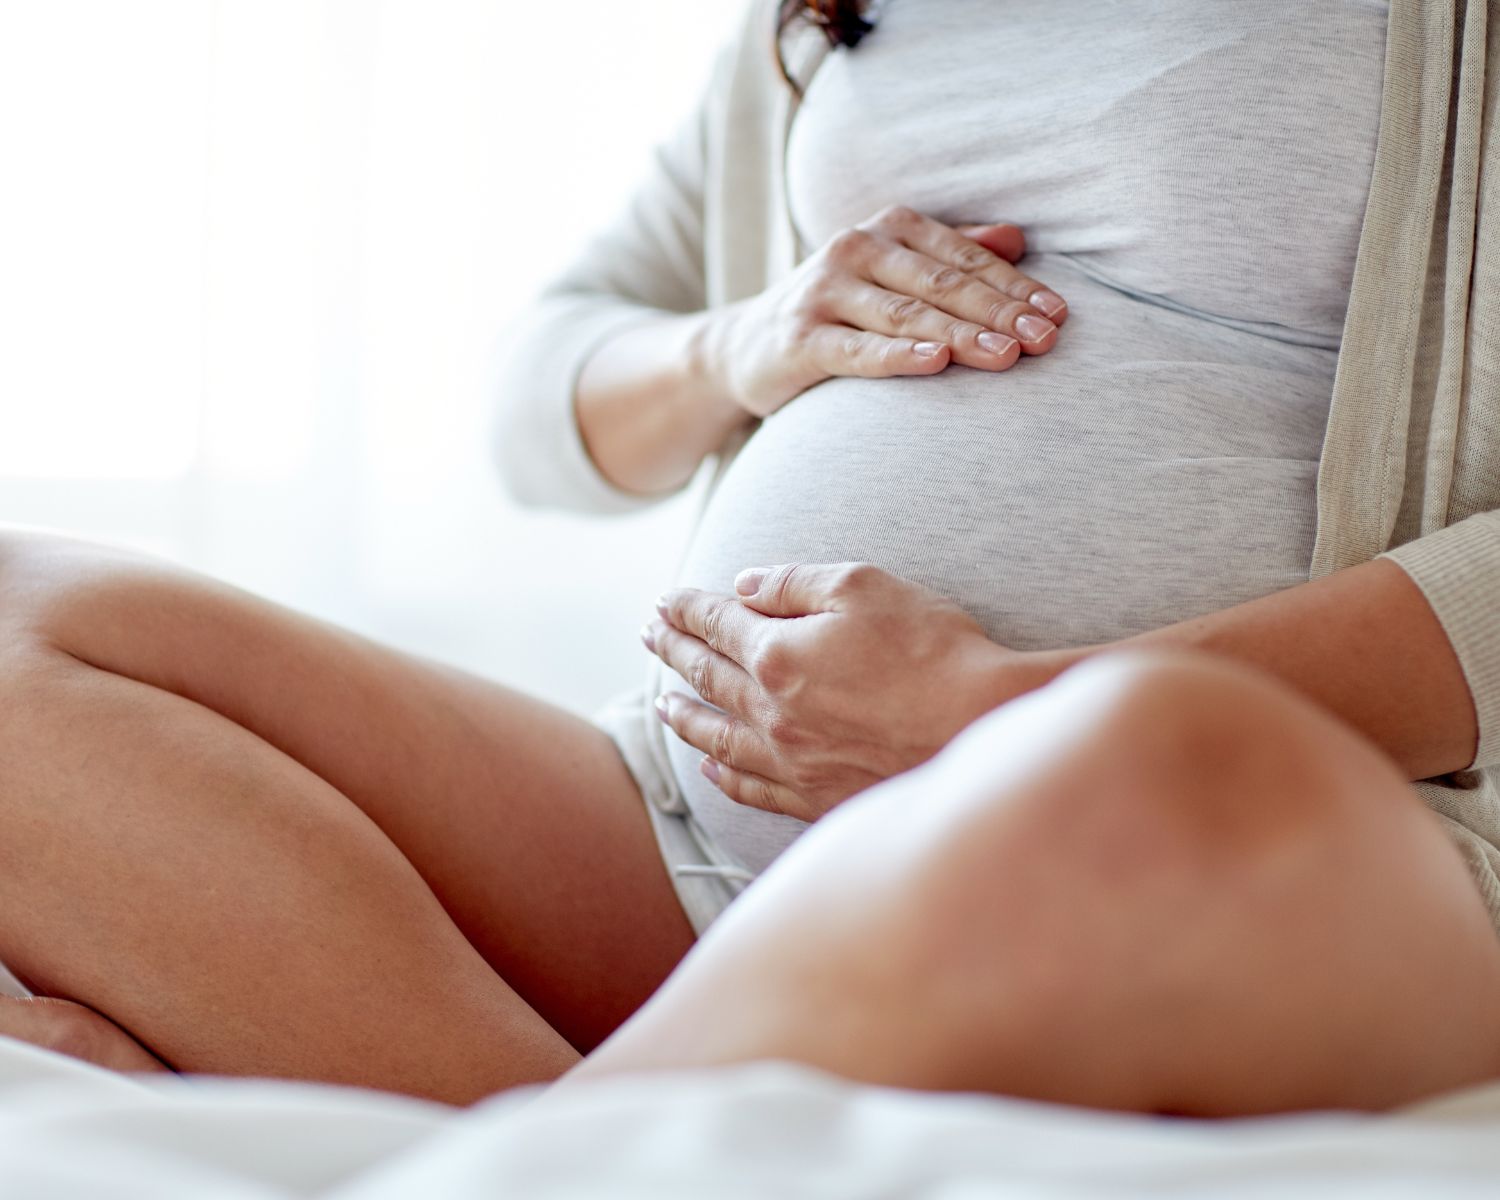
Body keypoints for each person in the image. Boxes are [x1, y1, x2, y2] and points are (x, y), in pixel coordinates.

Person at [2, 0, 1499, 1116]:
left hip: (1273, 837)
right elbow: (542, 392)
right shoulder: (835, 22)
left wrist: (1005, 712)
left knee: (1149, 756)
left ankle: (546, 1147)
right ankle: (575, 1134)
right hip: (690, 836)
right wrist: (743, 342)